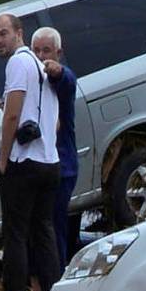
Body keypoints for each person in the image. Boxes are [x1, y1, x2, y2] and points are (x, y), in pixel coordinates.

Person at [0, 7, 60, 291]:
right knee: (43, 229)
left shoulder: (18, 62)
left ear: (19, 33)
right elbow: (53, 120)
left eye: (3, 33)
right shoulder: (40, 65)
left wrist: (2, 159)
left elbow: (12, 114)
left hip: (25, 160)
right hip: (49, 159)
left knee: (15, 232)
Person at [33, 24, 82, 275]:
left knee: (54, 227)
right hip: (40, 168)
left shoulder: (62, 79)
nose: (41, 57)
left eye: (47, 51)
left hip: (62, 167)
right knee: (40, 229)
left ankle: (58, 281)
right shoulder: (32, 82)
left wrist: (57, 71)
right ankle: (42, 285)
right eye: (37, 51)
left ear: (58, 52)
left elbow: (66, 79)